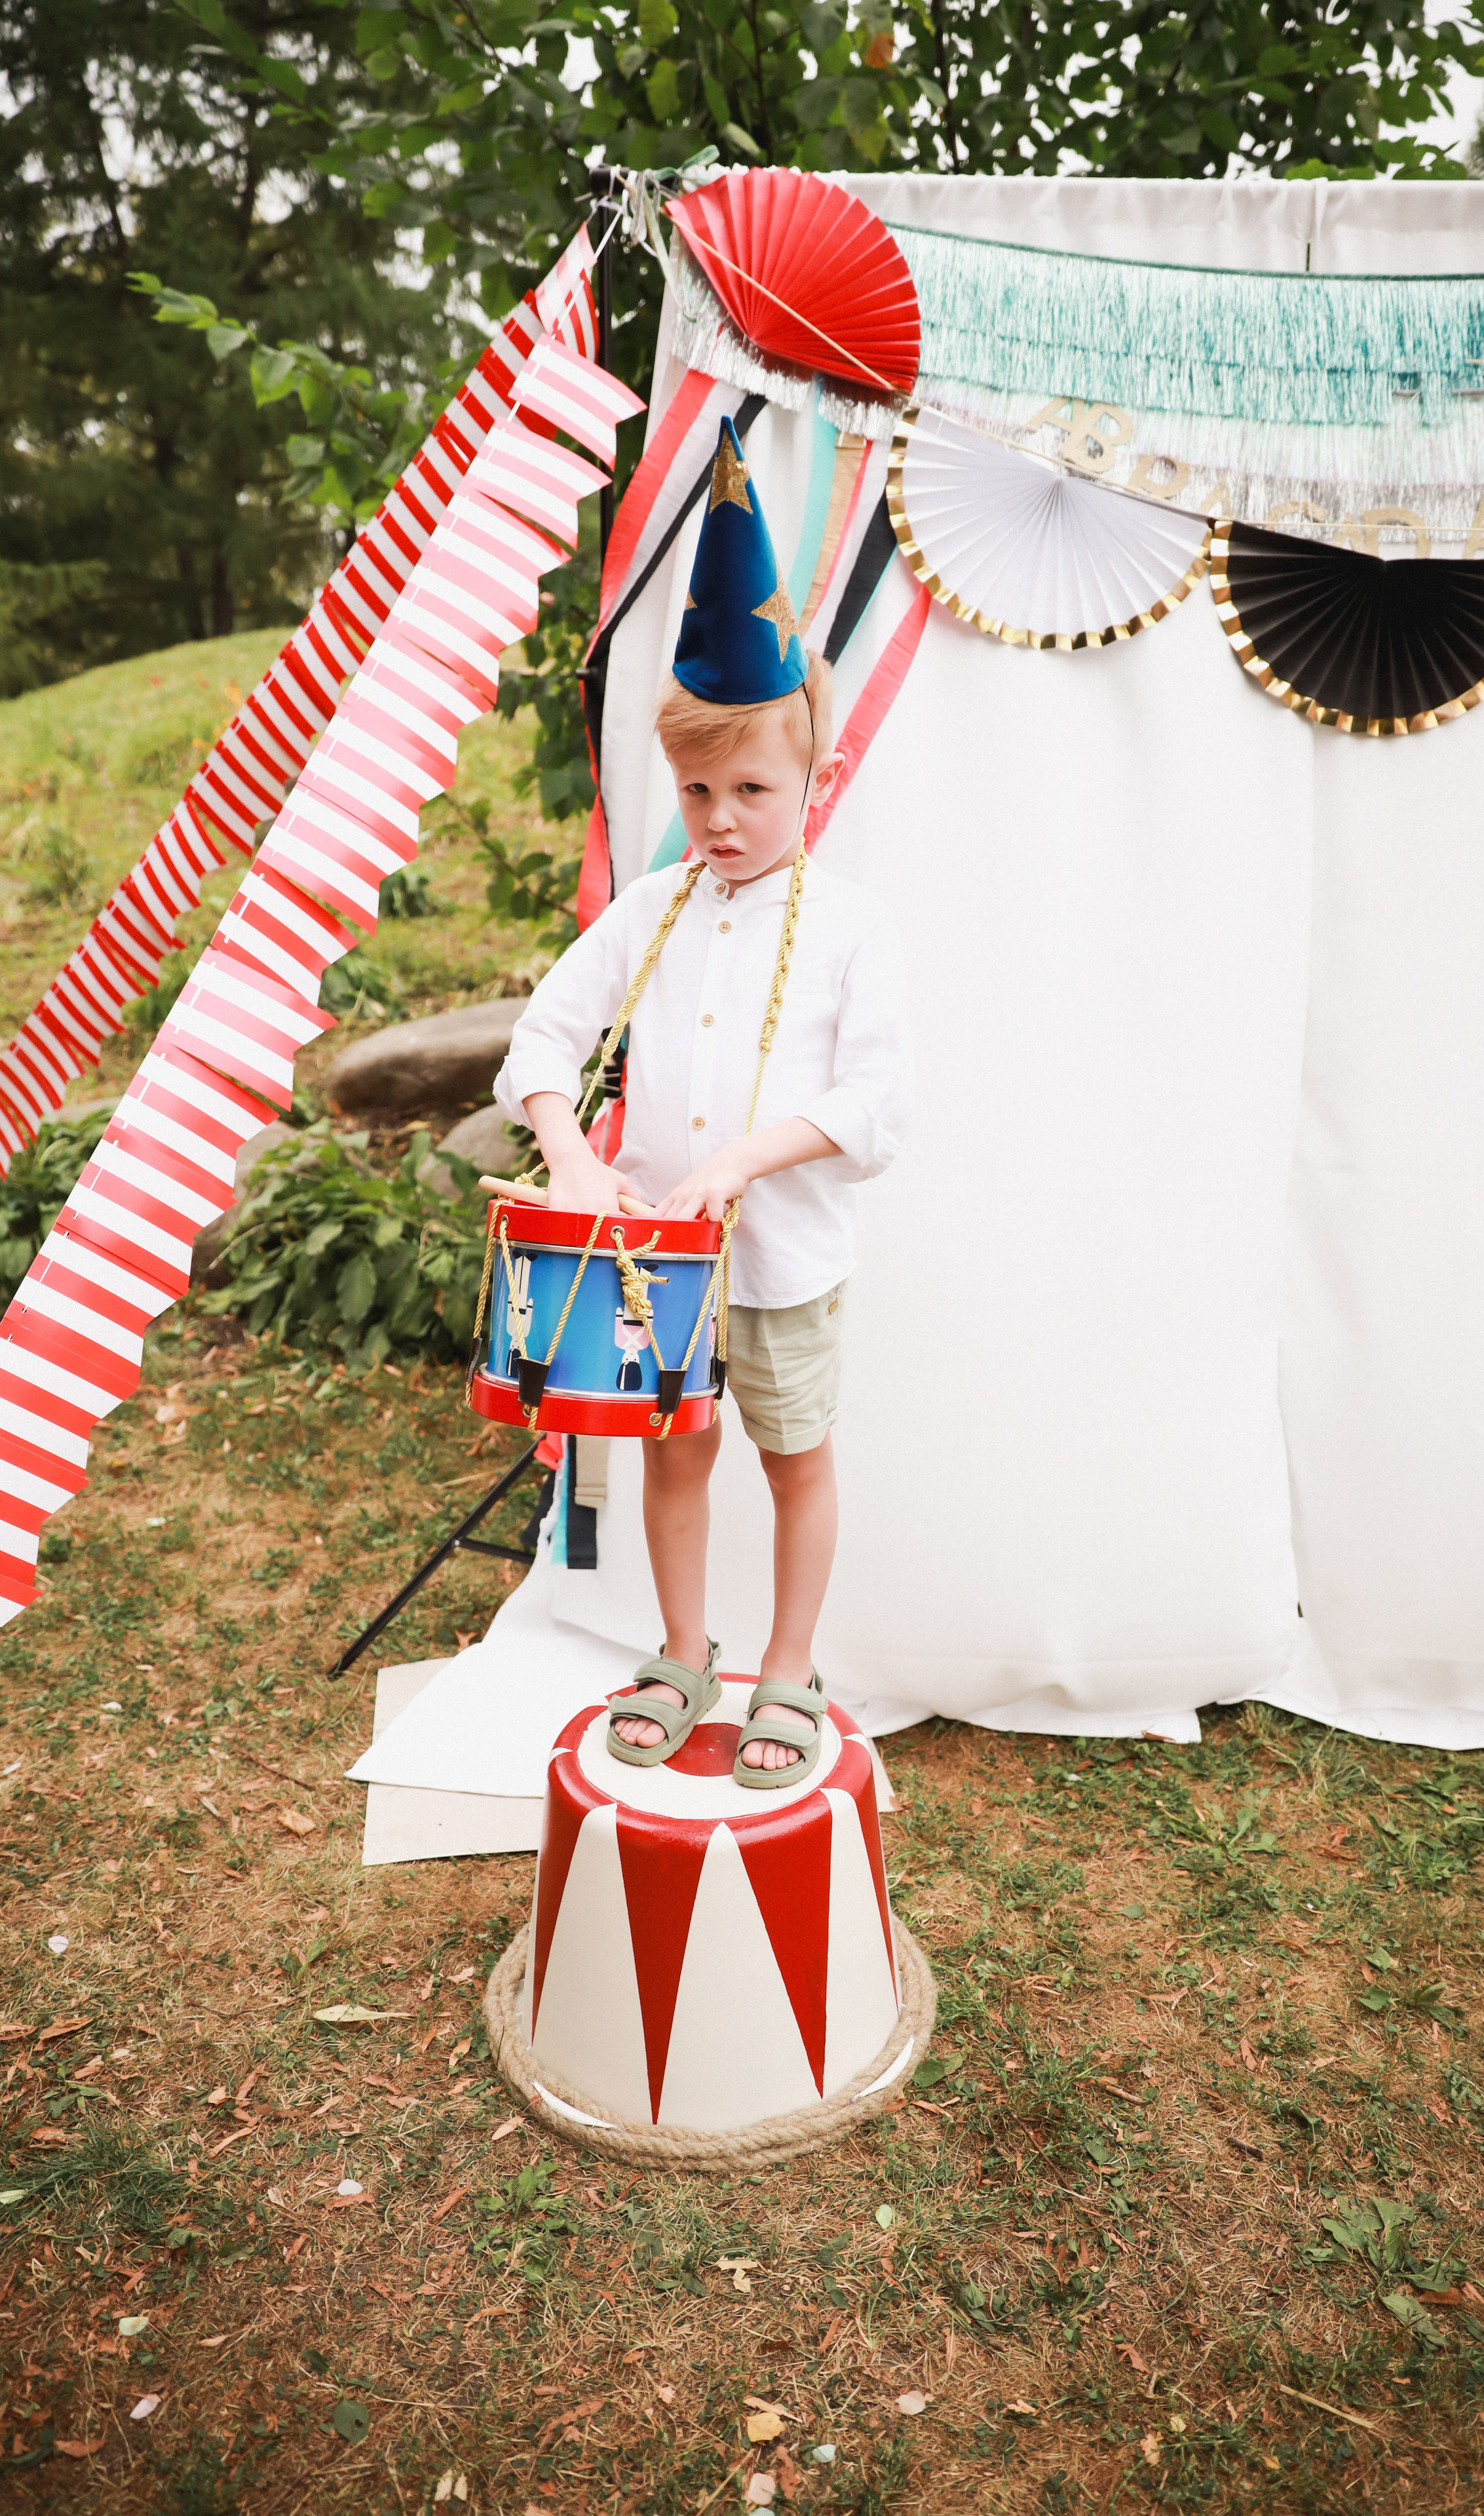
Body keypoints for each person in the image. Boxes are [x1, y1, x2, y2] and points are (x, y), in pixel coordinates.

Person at [493, 416, 911, 1789]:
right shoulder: (648, 909)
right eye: (694, 790)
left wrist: (742, 1157)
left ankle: (786, 1669)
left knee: (793, 1460)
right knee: (674, 1461)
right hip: (647, 1260)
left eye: (750, 787)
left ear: (816, 779)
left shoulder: (849, 926)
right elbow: (543, 1041)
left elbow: (874, 1104)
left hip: (781, 1259)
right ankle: (684, 1650)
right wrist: (567, 1151)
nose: (719, 816)